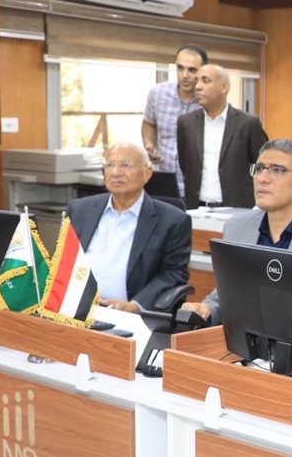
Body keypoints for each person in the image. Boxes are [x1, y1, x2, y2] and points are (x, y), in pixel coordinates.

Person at [181, 139, 292, 325]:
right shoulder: (236, 228)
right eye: (259, 168)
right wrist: (207, 309)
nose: (262, 178)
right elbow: (226, 295)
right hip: (247, 339)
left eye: (277, 170)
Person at [66, 141, 191, 313]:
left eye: (125, 165)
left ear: (147, 173)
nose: (116, 172)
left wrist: (135, 306)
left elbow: (173, 274)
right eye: (110, 165)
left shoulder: (173, 221)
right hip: (75, 309)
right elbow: (65, 261)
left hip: (128, 314)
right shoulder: (80, 209)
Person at [177, 64, 268, 210]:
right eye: (197, 81)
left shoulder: (248, 124)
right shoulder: (186, 123)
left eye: (205, 81)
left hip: (238, 208)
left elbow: (263, 165)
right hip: (197, 208)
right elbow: (185, 165)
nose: (198, 87)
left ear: (224, 87)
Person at [141, 44, 205, 198]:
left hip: (196, 188)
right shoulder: (158, 93)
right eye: (180, 68)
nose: (184, 75)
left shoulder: (208, 102)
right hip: (163, 182)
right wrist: (149, 144)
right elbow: (149, 122)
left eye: (192, 70)